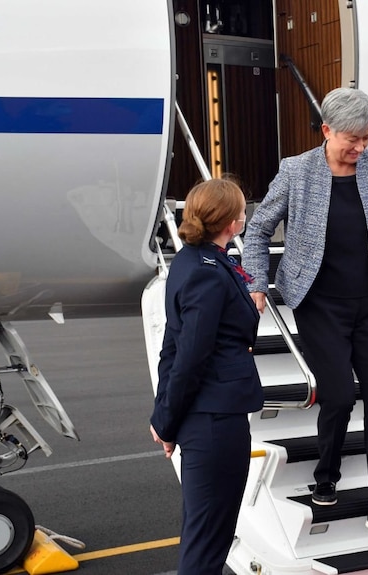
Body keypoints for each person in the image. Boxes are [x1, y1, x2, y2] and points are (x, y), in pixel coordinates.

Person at [241, 87, 368, 548]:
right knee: (340, 396)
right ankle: (326, 474)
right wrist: (256, 283)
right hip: (319, 304)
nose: (361, 148)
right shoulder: (297, 171)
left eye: (366, 139)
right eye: (353, 139)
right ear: (327, 130)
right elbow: (259, 228)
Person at [149, 178, 263, 574]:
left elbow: (173, 345)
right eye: (243, 211)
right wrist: (165, 422)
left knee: (204, 534)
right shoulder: (209, 273)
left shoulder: (190, 262)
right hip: (215, 420)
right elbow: (190, 356)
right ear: (232, 222)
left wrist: (164, 417)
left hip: (205, 417)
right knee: (208, 542)